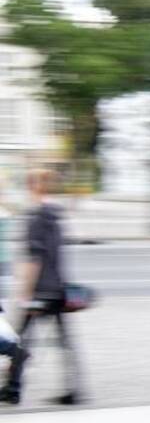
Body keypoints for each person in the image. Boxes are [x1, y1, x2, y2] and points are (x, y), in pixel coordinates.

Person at [0, 169, 82, 406]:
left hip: (39, 291)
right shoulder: (57, 216)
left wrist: (25, 292)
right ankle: (74, 389)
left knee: (21, 340)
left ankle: (12, 389)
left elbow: (34, 259)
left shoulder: (36, 217)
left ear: (34, 187)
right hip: (58, 288)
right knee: (66, 342)